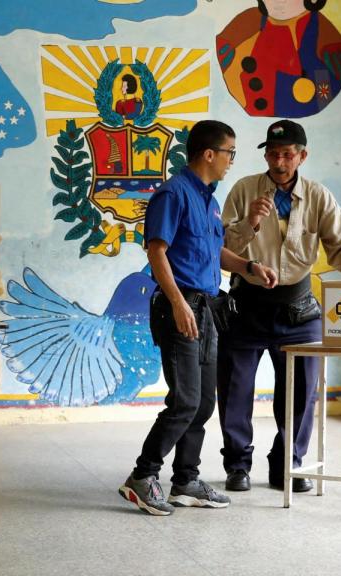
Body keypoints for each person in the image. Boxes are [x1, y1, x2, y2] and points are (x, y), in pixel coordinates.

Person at [119, 120, 278, 516]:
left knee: (204, 401)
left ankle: (186, 480)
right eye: (230, 154)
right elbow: (157, 251)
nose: (231, 162)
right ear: (210, 154)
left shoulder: (207, 200)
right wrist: (177, 303)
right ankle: (142, 476)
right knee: (185, 400)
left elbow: (214, 252)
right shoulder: (173, 195)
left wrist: (248, 266)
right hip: (181, 308)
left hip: (207, 309)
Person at [217, 119, 341, 493]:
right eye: (273, 154)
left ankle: (287, 464)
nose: (279, 161)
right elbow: (221, 247)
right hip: (247, 304)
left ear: (302, 156)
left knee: (303, 391)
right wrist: (250, 223)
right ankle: (237, 465)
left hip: (299, 308)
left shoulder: (319, 197)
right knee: (234, 389)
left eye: (287, 154)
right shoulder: (243, 191)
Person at [215, 0, 341, 118]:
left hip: (305, 104)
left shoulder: (320, 28)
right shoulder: (249, 21)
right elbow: (225, 45)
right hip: (253, 106)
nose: (279, 1)